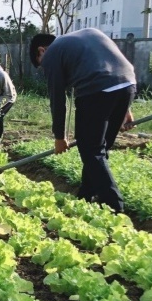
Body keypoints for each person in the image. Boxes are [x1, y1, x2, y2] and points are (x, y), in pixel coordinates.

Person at [30, 28, 136, 212]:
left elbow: (58, 99)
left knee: (91, 149)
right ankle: (85, 197)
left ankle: (115, 207)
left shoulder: (52, 53)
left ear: (41, 51)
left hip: (97, 90)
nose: (44, 68)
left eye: (40, 64)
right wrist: (124, 108)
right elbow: (111, 66)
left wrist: (59, 137)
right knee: (97, 150)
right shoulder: (85, 35)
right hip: (128, 84)